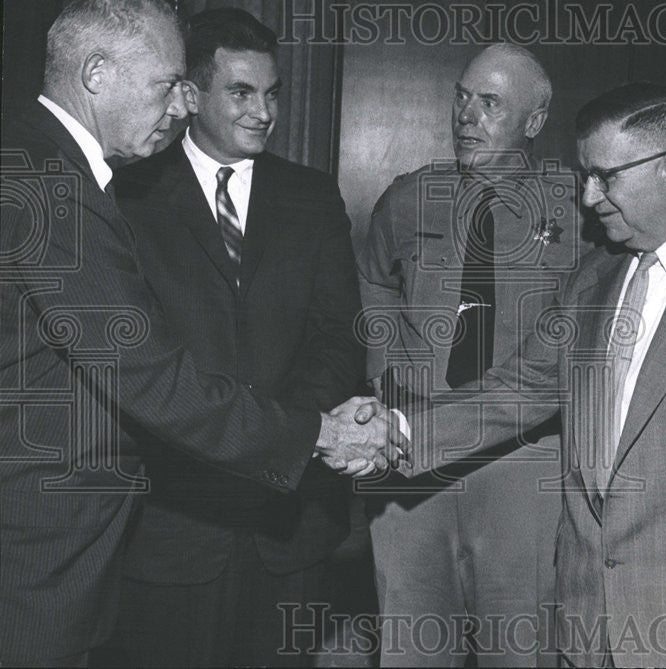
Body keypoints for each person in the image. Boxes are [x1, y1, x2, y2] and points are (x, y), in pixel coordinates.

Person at [0, 1, 394, 665]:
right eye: (164, 86)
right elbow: (147, 374)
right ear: (96, 73)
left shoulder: (36, 158)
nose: (179, 107)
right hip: (42, 537)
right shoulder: (53, 183)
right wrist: (320, 431)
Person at [379, 82, 666, 666]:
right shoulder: (592, 279)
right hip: (588, 624)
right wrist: (394, 434)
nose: (588, 196)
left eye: (605, 177)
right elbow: (521, 389)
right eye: (585, 175)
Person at [89, 9, 364, 666]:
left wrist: (280, 439)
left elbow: (340, 342)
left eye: (272, 93)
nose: (263, 111)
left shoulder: (312, 196)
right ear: (191, 94)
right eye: (242, 92)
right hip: (169, 527)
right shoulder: (124, 195)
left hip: (288, 527)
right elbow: (131, 368)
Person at [356, 43, 587, 666]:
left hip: (522, 456)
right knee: (412, 640)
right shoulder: (408, 198)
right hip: (412, 449)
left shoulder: (579, 207)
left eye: (490, 103)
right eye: (462, 97)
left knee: (519, 643)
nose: (467, 115)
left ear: (533, 123)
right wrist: (386, 369)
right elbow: (374, 280)